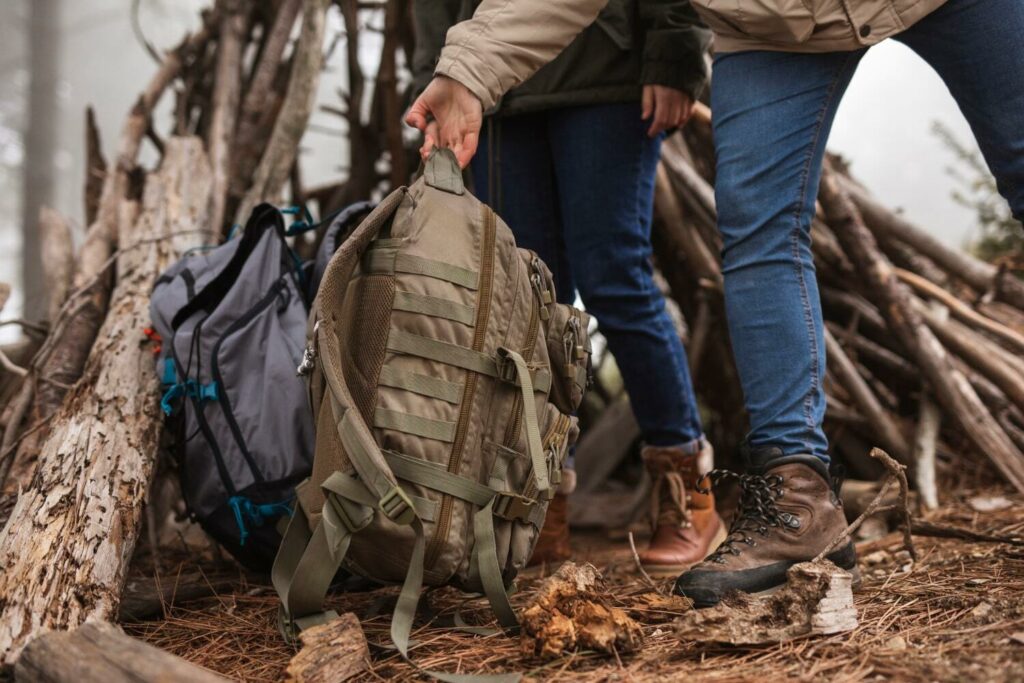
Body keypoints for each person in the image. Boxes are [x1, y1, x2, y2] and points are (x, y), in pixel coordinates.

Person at [405, 0, 1024, 605]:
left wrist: (670, 56)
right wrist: (466, 70)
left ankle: (689, 492)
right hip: (772, 22)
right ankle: (796, 505)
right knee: (759, 232)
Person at [411, 0, 726, 575]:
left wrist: (676, 49)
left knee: (615, 278)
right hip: (496, 89)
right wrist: (438, 74)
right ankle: (541, 504)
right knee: (526, 300)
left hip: (606, 68)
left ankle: (688, 496)